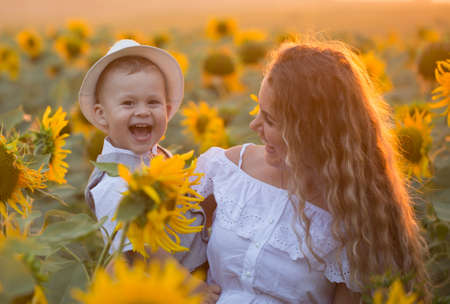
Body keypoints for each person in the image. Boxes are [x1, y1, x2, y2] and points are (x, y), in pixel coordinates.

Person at [193, 40, 430, 303]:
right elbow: (163, 250)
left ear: (312, 132)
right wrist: (186, 287)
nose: (254, 124)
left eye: (270, 119)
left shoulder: (351, 213)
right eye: (259, 111)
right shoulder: (226, 171)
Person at [79, 39, 220, 303]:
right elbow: (143, 251)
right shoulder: (112, 183)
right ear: (101, 115)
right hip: (163, 287)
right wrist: (190, 287)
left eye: (153, 102)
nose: (142, 112)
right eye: (129, 103)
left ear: (167, 110)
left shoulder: (159, 157)